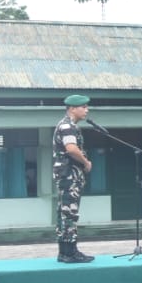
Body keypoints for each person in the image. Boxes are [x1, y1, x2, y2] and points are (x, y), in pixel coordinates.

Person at [52, 94, 95, 263]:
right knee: (70, 213)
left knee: (64, 213)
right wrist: (86, 162)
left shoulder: (67, 125)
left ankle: (64, 252)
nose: (87, 110)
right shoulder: (68, 126)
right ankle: (70, 252)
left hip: (67, 175)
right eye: (83, 107)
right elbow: (71, 149)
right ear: (72, 108)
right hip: (69, 175)